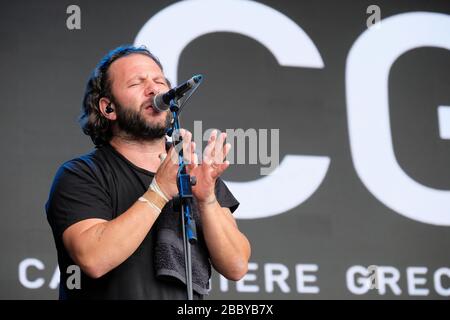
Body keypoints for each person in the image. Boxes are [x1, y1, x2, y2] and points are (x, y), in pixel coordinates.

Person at [45, 45, 251, 300]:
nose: (154, 89)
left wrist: (207, 199)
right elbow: (93, 258)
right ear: (108, 108)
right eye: (136, 83)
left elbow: (237, 266)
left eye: (159, 81)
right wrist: (159, 191)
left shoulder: (192, 171)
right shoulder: (81, 174)